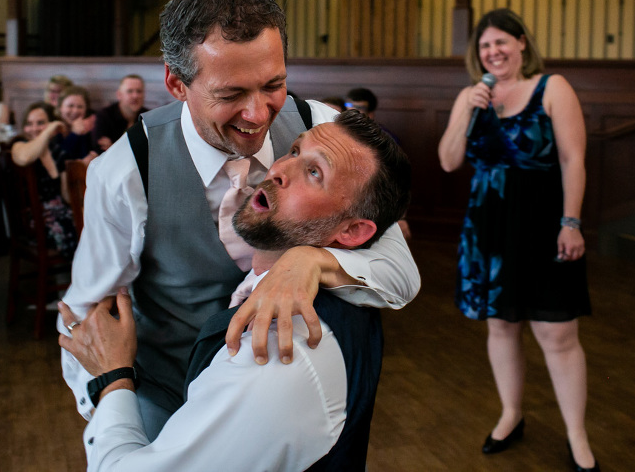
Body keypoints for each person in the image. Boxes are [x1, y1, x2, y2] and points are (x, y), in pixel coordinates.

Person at [58, 0, 420, 440]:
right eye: (230, 95)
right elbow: (84, 316)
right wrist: (116, 422)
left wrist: (313, 261)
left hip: (283, 398)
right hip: (168, 399)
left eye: (273, 84)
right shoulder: (126, 170)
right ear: (176, 83)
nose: (258, 115)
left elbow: (401, 274)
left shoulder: (321, 130)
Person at [59, 110, 411, 471]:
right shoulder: (127, 162)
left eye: (314, 172)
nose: (276, 169)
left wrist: (112, 378)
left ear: (353, 233)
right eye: (293, 151)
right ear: (177, 84)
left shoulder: (269, 355)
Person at [437, 9, 598, 472]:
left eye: (501, 43)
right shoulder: (472, 95)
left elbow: (573, 160)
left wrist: (571, 222)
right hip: (487, 229)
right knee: (500, 326)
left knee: (558, 332)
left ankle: (577, 436)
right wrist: (468, 107)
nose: (493, 52)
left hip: (545, 222)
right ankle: (511, 414)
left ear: (522, 43)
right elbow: (449, 161)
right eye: (485, 47)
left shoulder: (553, 88)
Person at [10, 101, 79, 258]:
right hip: (33, 221)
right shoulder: (19, 145)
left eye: (40, 123)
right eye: (29, 123)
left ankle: (85, 278)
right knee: (73, 230)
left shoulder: (58, 151)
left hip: (61, 213)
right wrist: (47, 131)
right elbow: (26, 157)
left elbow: (67, 196)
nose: (34, 128)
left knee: (95, 225)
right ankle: (78, 278)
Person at [345, 87, 411, 239]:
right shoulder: (337, 135)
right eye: (349, 107)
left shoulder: (387, 142)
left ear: (371, 114)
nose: (352, 112)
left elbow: (398, 183)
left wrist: (400, 217)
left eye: (359, 108)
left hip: (373, 206)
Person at [92, 74, 149, 153]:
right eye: (130, 91)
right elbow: (99, 149)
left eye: (139, 91)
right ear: (119, 95)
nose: (135, 96)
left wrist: (113, 147)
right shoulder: (104, 116)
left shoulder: (149, 116)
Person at [51, 85, 97, 176]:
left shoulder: (89, 129)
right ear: (60, 108)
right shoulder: (54, 129)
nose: (75, 111)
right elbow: (58, 165)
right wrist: (74, 134)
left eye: (80, 107)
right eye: (70, 106)